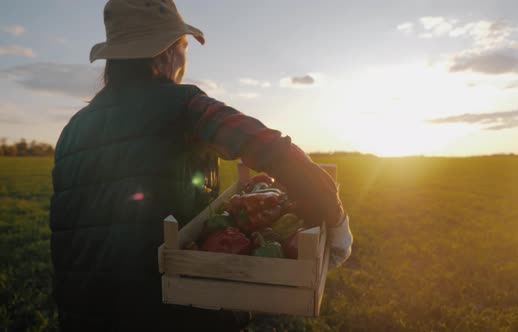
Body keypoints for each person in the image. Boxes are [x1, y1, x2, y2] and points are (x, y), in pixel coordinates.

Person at [50, 0, 353, 331]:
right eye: (184, 47)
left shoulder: (72, 130)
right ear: (166, 53)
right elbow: (269, 148)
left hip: (81, 313)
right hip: (169, 311)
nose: (183, 60)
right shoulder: (185, 106)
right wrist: (335, 220)